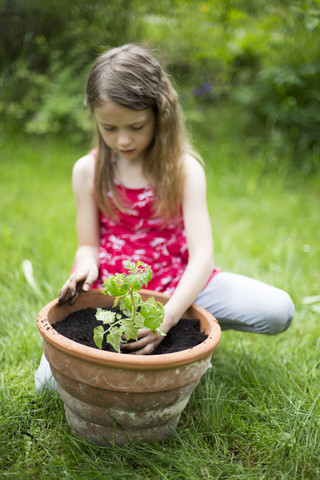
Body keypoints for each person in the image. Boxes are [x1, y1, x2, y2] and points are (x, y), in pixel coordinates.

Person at [35, 44, 294, 392]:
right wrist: (85, 268)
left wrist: (168, 318)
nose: (123, 139)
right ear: (95, 118)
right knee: (47, 385)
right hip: (117, 293)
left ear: (161, 113)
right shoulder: (87, 170)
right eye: (109, 128)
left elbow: (203, 257)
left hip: (180, 282)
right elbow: (87, 245)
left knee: (278, 309)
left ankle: (195, 325)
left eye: (136, 126)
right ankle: (181, 347)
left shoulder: (184, 169)